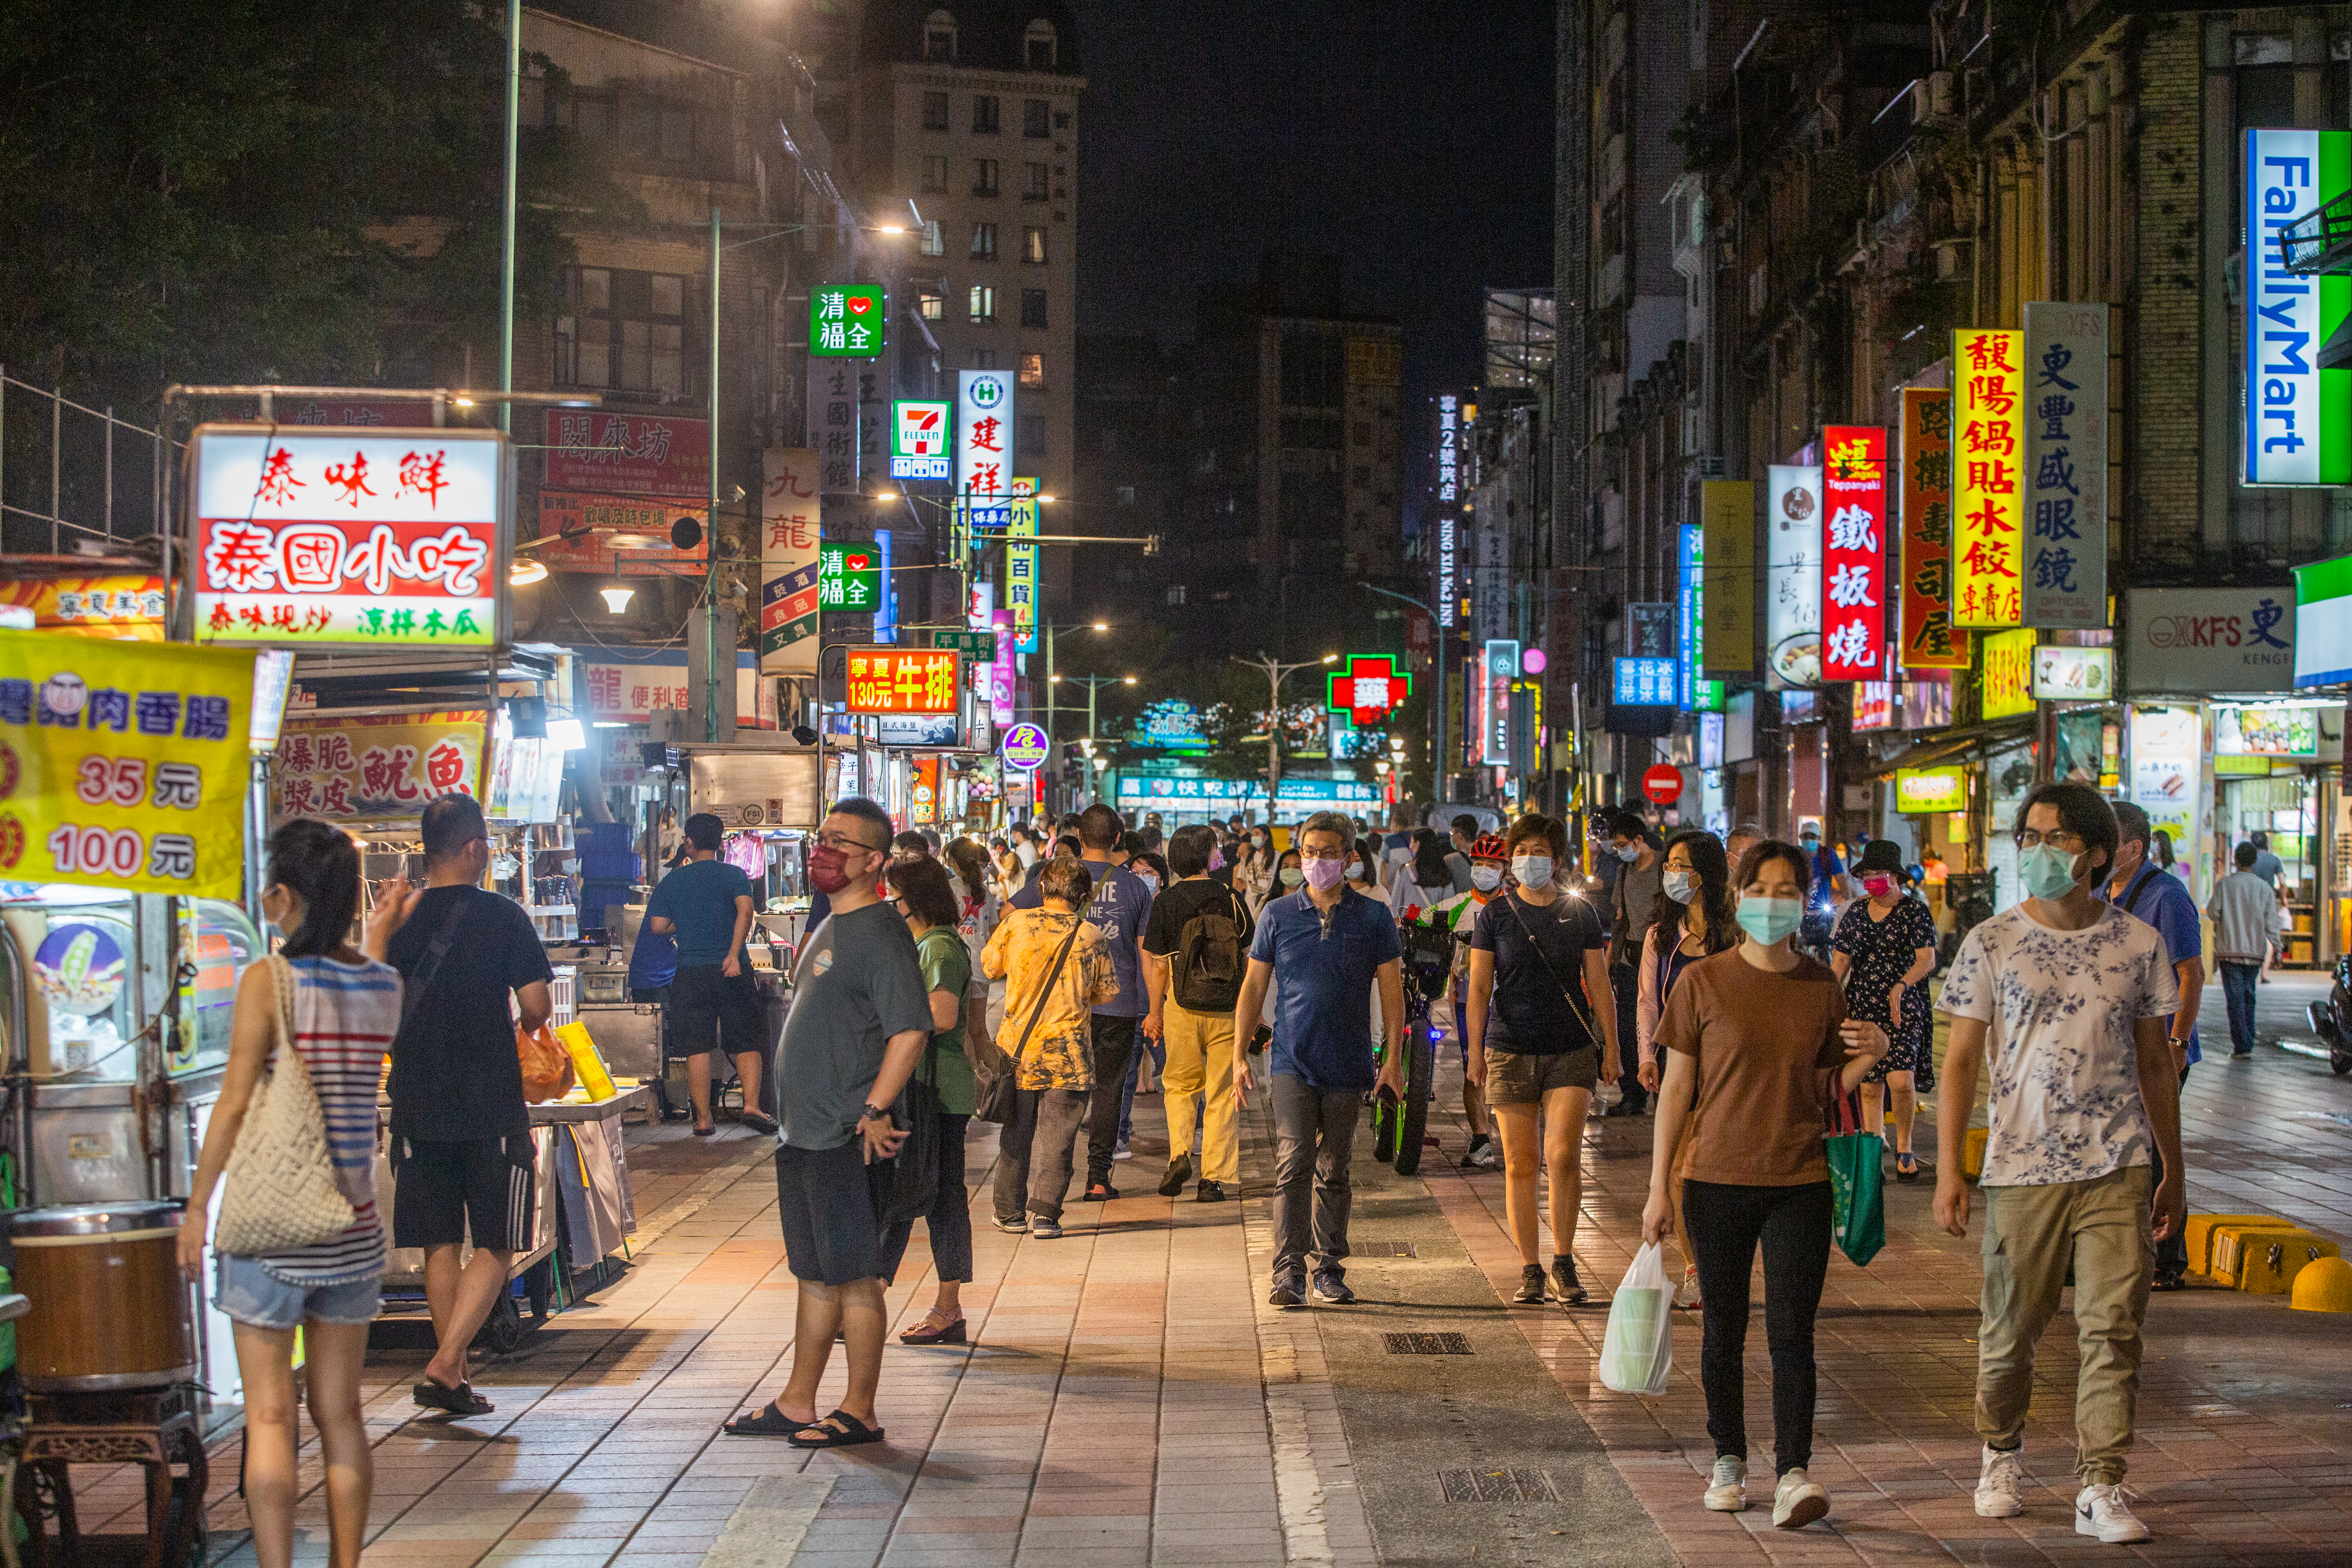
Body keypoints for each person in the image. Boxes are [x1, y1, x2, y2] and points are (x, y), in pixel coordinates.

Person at [1934, 782, 2186, 1545]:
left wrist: (2174, 1163)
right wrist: (1951, 1168)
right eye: (2031, 837)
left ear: (2097, 853)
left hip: (2118, 1164)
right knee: (2009, 1332)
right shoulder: (1991, 941)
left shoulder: (2139, 945)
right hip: (2020, 1167)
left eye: (2058, 838)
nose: (2041, 851)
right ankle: (2001, 1450)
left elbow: (2155, 1062)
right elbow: (1961, 1062)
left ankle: (2101, 1483)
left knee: (2113, 1329)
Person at [1642, 839, 1891, 1530]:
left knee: (1793, 1334)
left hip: (1800, 1179)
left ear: (1803, 901)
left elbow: (1821, 1093)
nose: (1776, 901)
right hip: (1714, 1179)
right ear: (1739, 895)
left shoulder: (1820, 987)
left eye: (1790, 890)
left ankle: (1793, 1473)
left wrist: (1869, 1060)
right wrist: (1658, 1187)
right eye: (1764, 888)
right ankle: (1728, 1459)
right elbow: (1677, 1091)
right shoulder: (1701, 982)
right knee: (1722, 1327)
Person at [178, 821, 393, 1568]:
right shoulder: (380, 984)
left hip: (271, 1227)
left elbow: (235, 1103)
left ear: (284, 897)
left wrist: (199, 1206)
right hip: (354, 1228)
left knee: (269, 1416)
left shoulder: (267, 981)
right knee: (341, 1414)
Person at [724, 798, 933, 1448]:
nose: (825, 850)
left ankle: (861, 1409)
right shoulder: (831, 922)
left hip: (848, 1132)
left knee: (856, 1277)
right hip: (805, 1133)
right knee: (815, 1275)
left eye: (840, 842)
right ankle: (797, 1400)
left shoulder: (879, 931)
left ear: (875, 861)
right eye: (824, 837)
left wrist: (874, 1109)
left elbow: (911, 1030)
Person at [366, 793, 552, 1417]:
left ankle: (454, 1380)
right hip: (491, 1106)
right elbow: (536, 1007)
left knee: (439, 1245)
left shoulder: (397, 920)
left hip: (416, 1104)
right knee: (499, 1243)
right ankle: (447, 1363)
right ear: (475, 848)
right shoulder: (503, 917)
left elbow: (375, 1000)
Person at [1233, 811, 1406, 1307]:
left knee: (1336, 1166)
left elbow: (1393, 996)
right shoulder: (1279, 915)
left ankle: (1328, 1268)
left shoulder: (1373, 917)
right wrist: (1238, 1054)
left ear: (1350, 858)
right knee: (1294, 1162)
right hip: (1291, 1058)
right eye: (1309, 853)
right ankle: (1287, 1271)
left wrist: (1392, 1061)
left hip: (1350, 1062)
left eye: (1328, 853)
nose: (1316, 862)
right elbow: (1254, 987)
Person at [1465, 813, 1619, 1305]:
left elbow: (1600, 984)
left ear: (1557, 858)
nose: (1531, 859)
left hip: (1570, 1048)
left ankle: (1565, 1261)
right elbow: (1479, 987)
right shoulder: (1495, 915)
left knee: (1564, 1155)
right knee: (1520, 1163)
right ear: (1512, 857)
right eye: (1523, 850)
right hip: (1509, 1048)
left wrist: (1611, 1045)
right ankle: (1531, 1267)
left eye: (1541, 851)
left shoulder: (1582, 913)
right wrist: (1474, 1052)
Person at [1009, 804, 1154, 1200]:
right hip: (1118, 1006)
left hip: (1065, 1004)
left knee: (1062, 1091)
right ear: (1119, 840)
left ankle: (1053, 1178)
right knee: (1110, 1090)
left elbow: (1009, 914)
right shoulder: (1137, 888)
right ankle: (1098, 1178)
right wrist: (1153, 1008)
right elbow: (1147, 956)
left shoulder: (1052, 876)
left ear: (1077, 835)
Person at [984, 856, 1120, 1237]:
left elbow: (991, 967)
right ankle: (1046, 1215)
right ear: (1083, 895)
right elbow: (1107, 994)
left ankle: (1009, 1213)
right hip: (1069, 1054)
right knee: (1058, 1140)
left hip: (1018, 1054)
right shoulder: (1090, 934)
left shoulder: (1015, 924)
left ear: (1043, 886)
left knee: (1016, 1135)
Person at [2099, 801, 2203, 1291]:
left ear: (2133, 848)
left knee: (2159, 1150)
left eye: (2105, 842)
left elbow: (2192, 973)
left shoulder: (2166, 896)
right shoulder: (2101, 892)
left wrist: (2178, 1041)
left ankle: (2167, 1256)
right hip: (2117, 1047)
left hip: (2161, 1047)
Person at [878, 857, 980, 1345]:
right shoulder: (926, 944)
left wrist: (883, 1012)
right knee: (906, 1192)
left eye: (894, 898)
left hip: (935, 1093)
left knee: (936, 1198)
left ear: (913, 901)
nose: (889, 906)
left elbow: (941, 1015)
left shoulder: (938, 946)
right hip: (926, 1090)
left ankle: (947, 1308)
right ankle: (873, 1297)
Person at [1635, 829, 1739, 1307]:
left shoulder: (1736, 933)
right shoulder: (1661, 936)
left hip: (1733, 1069)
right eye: (1669, 865)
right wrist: (1646, 1054)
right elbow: (1647, 1002)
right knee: (1680, 1169)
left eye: (1682, 865)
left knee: (1727, 1167)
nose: (1673, 874)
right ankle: (1697, 1267)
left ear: (1708, 873)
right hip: (1680, 1068)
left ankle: (1728, 1261)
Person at [1140, 824, 1254, 1202]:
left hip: (1181, 1006)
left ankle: (1179, 1155)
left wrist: (1154, 1012)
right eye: (1216, 848)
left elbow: (1158, 966)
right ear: (1208, 857)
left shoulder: (1166, 902)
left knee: (1180, 1085)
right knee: (1222, 1092)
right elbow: (1249, 959)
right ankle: (1213, 1180)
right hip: (1228, 1009)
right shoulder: (1232, 899)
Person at [647, 812, 774, 1137]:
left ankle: (704, 1120)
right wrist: (733, 955)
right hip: (732, 969)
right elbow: (747, 911)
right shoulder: (734, 874)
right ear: (720, 843)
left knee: (697, 1046)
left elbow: (658, 926)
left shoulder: (672, 880)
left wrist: (687, 926)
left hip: (690, 972)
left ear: (688, 843)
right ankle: (751, 1106)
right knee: (747, 1038)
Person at [1828, 840, 1938, 1182]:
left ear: (1896, 877)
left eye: (1880, 874)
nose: (1872, 880)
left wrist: (1902, 985)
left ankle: (1905, 1147)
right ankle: (1875, 1147)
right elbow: (1841, 962)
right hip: (1862, 1004)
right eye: (1868, 874)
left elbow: (1927, 959)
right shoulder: (1856, 913)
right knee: (1870, 1084)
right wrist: (1826, 998)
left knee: (1901, 1080)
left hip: (1903, 1008)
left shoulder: (1915, 912)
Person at [1425, 833, 1510, 1167]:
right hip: (1467, 1001)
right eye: (1478, 863)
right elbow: (1418, 919)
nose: (1484, 870)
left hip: (1510, 1001)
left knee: (1506, 1070)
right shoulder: (1457, 905)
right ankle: (1481, 1140)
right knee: (1473, 1069)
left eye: (1492, 865)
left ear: (1505, 869)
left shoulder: (1518, 904)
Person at [1606, 808, 1664, 1115]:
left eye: (1621, 845)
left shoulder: (1664, 869)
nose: (1619, 851)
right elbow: (1620, 916)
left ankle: (1663, 1091)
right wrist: (1612, 957)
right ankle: (1633, 1096)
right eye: (1616, 846)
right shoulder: (1624, 872)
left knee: (1658, 1024)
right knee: (1628, 1026)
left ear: (1639, 840)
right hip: (1630, 955)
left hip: (1658, 952)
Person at [2209, 841, 2274, 1058]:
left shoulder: (2224, 885)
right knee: (2248, 995)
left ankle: (2242, 1043)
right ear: (2255, 861)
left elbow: (2212, 913)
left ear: (2235, 860)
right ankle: (2247, 1039)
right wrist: (2278, 946)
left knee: (2235, 997)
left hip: (2229, 950)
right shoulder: (2264, 888)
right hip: (2255, 952)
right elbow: (2272, 923)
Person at [1388, 829, 1456, 921]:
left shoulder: (1405, 871)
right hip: (1435, 931)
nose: (1410, 847)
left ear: (1418, 844)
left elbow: (1396, 905)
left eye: (1412, 842)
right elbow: (1450, 906)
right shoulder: (1444, 871)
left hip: (1412, 930)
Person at [2248, 831, 2287, 982]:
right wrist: (2284, 900)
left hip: (2250, 901)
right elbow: (2283, 884)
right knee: (2268, 938)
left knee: (2251, 935)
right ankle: (2264, 974)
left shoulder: (2251, 860)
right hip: (2268, 902)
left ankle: (2253, 971)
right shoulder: (2274, 860)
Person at [1444, 814, 1481, 893]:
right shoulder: (1486, 857)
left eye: (1453, 834)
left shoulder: (1450, 860)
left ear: (1460, 837)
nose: (1452, 839)